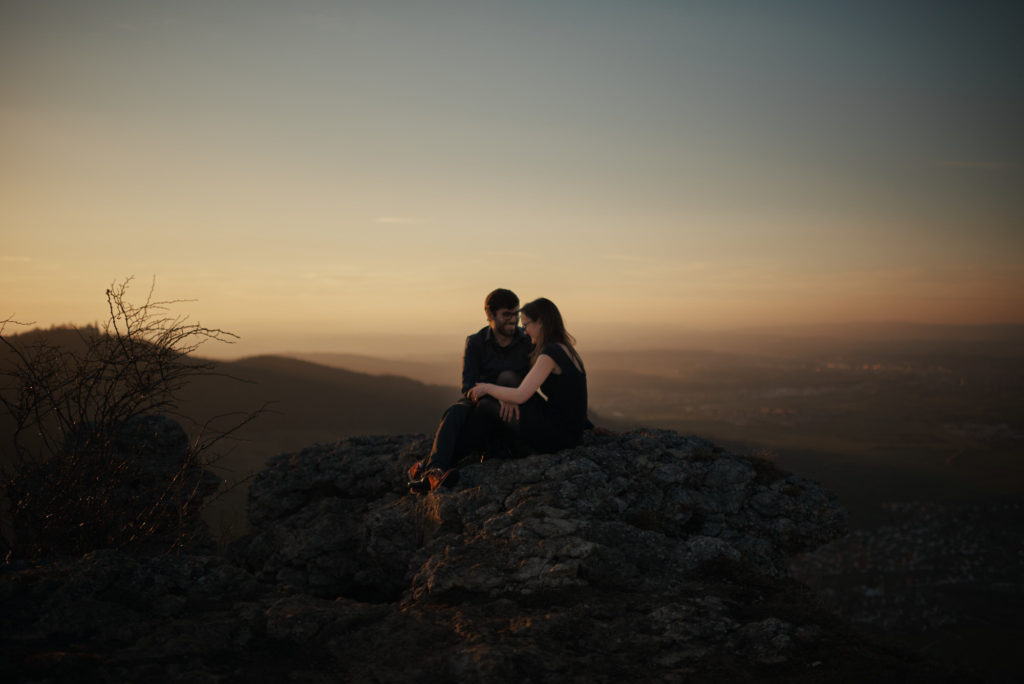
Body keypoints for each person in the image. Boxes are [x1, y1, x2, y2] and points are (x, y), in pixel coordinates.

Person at [407, 288, 533, 493]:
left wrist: (508, 395)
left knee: (471, 429)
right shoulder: (476, 342)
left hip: (514, 401)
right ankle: (434, 472)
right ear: (490, 314)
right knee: (455, 412)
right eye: (507, 314)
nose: (513, 320)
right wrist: (494, 395)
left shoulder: (526, 341)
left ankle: (425, 467)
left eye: (516, 314)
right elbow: (468, 385)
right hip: (481, 399)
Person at [469, 298, 588, 454]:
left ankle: (502, 452)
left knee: (485, 405)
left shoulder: (550, 354)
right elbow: (573, 398)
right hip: (566, 426)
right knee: (507, 377)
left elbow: (520, 396)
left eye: (526, 325)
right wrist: (506, 398)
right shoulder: (564, 348)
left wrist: (487, 388)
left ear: (540, 322)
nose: (524, 331)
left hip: (560, 435)